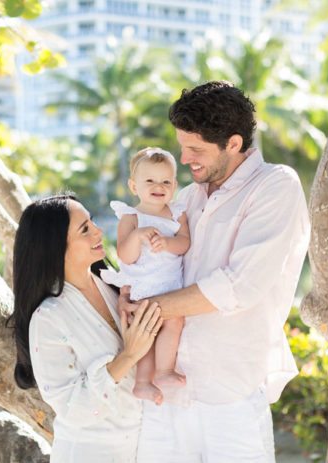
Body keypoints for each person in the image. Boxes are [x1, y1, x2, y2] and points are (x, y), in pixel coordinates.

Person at [132, 81, 311, 462]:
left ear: (233, 143)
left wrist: (149, 308)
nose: (183, 159)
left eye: (195, 149)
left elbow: (239, 285)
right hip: (167, 393)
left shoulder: (275, 185)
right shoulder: (188, 196)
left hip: (229, 391)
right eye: (182, 146)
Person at [9, 194, 163, 463]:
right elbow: (72, 408)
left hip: (144, 446)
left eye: (91, 222)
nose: (99, 231)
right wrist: (127, 357)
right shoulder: (48, 318)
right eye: (85, 229)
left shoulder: (115, 286)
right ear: (55, 246)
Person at [100, 147, 191, 406]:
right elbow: (125, 256)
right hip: (143, 285)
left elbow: (184, 243)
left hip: (170, 285)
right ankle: (142, 382)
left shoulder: (177, 213)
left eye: (165, 181)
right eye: (149, 180)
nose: (158, 186)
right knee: (147, 333)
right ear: (133, 185)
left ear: (173, 186)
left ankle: (164, 371)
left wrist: (168, 243)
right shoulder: (131, 217)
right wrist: (138, 236)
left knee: (174, 324)